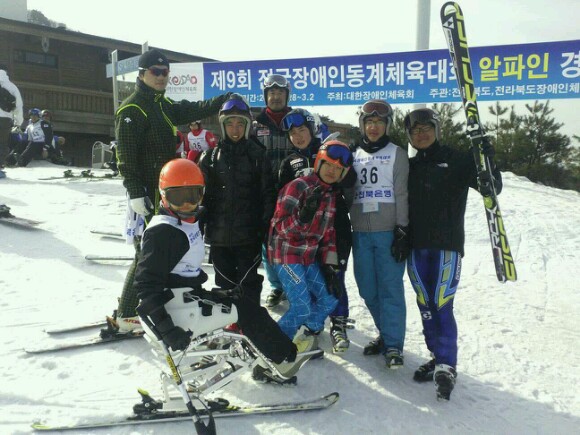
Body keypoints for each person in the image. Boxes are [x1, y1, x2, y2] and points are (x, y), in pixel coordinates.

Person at [134, 158, 318, 384]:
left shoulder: (182, 222)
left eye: (192, 196)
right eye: (177, 197)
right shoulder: (164, 232)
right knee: (248, 310)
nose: (185, 205)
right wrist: (168, 330)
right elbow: (145, 285)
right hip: (179, 315)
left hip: (186, 300)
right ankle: (283, 359)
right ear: (163, 195)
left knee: (238, 297)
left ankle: (264, 354)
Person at [104, 48, 231, 336]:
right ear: (142, 73)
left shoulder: (162, 105)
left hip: (168, 194)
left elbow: (193, 109)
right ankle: (127, 314)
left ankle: (150, 306)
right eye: (156, 72)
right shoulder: (132, 109)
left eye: (165, 73)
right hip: (147, 195)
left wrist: (224, 99)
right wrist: (135, 191)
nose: (161, 77)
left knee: (161, 252)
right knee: (146, 255)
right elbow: (125, 156)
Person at [404, 108, 501, 400]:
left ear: (437, 129)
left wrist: (488, 160)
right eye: (415, 130)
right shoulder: (408, 166)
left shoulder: (458, 159)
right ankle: (437, 356)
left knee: (441, 304)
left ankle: (447, 364)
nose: (421, 134)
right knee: (425, 305)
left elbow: (491, 188)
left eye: (427, 128)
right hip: (415, 247)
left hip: (447, 247)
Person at [278, 109, 355, 352]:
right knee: (312, 281)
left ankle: (339, 323)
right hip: (302, 236)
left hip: (334, 227)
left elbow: (351, 181)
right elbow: (279, 198)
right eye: (293, 133)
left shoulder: (331, 149)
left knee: (334, 276)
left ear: (312, 129)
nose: (298, 136)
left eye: (302, 130)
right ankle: (309, 329)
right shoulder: (290, 161)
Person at [349, 99, 410, 369]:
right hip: (360, 231)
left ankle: (394, 344)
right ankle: (386, 335)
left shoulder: (397, 153)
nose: (374, 127)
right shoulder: (352, 153)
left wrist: (402, 229)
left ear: (387, 125)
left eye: (380, 122)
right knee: (367, 288)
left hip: (388, 231)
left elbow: (402, 193)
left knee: (390, 290)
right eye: (369, 122)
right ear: (362, 124)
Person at [0, 66, 24, 174]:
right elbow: (18, 105)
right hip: (5, 119)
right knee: (2, 143)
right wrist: (18, 122)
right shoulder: (11, 86)